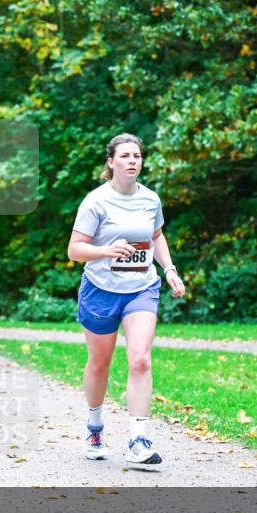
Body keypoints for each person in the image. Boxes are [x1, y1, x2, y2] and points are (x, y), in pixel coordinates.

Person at [67, 134, 186, 464]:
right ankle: (94, 426)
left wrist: (170, 269)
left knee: (140, 359)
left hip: (141, 288)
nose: (133, 160)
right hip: (100, 290)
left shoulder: (151, 199)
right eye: (125, 156)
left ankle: (139, 439)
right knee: (100, 363)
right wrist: (105, 250)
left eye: (137, 156)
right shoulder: (95, 202)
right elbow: (74, 249)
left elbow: (157, 236)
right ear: (111, 162)